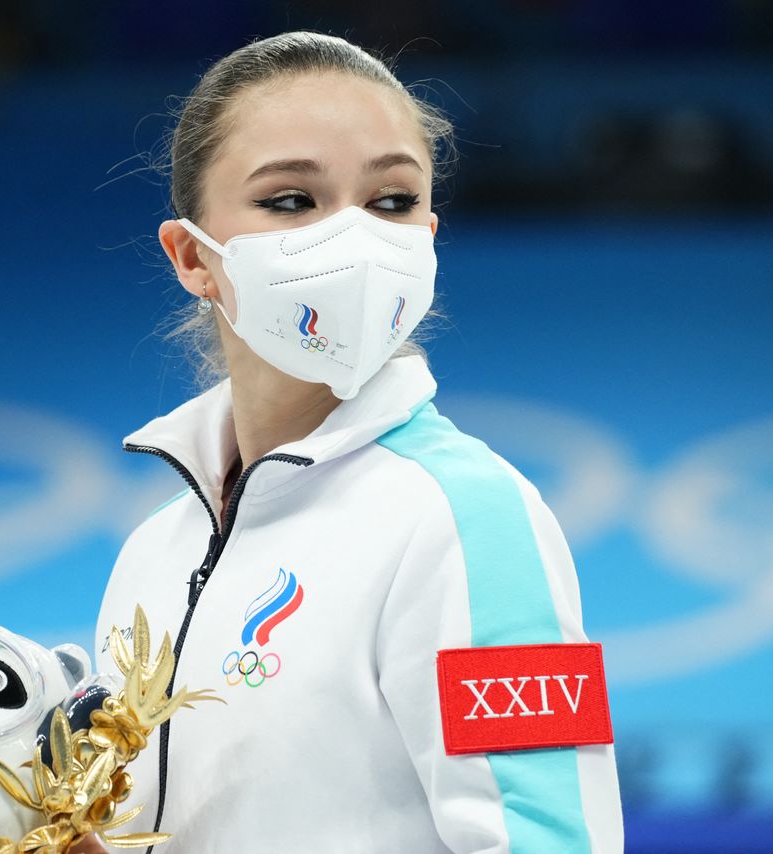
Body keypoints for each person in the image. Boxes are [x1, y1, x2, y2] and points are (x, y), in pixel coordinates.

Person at [91, 30, 623, 853]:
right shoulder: (152, 554)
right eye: (293, 200)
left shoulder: (468, 519)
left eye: (392, 202)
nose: (356, 241)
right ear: (193, 257)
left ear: (428, 238)